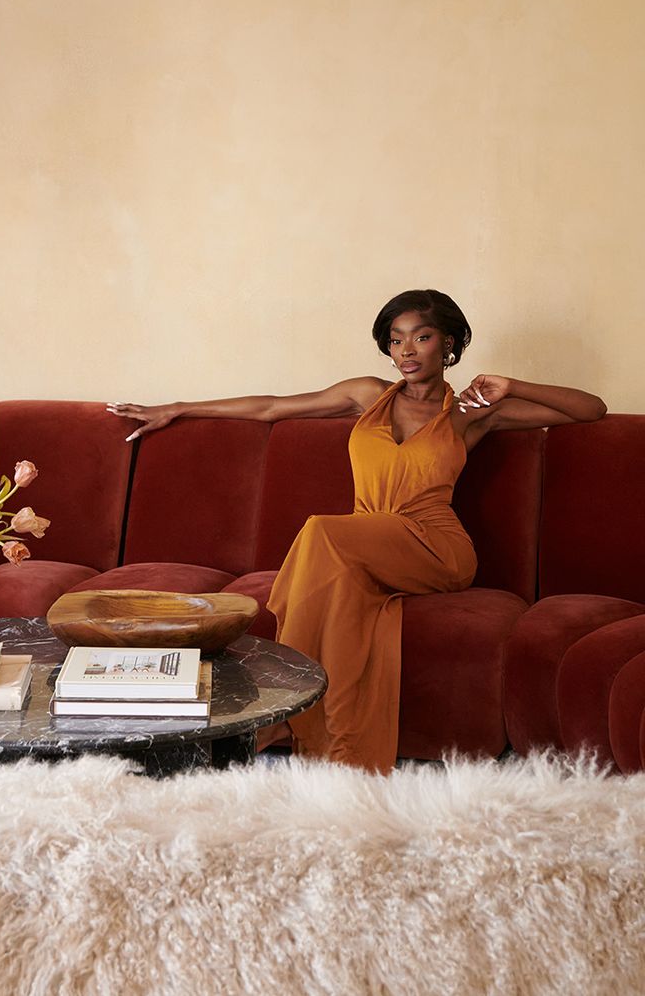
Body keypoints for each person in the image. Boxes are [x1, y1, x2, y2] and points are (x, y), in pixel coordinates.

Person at [107, 288, 607, 773]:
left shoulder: (469, 414)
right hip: (361, 547)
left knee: (322, 532)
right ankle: (301, 721)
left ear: (449, 344)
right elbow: (272, 407)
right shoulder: (367, 394)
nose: (406, 351)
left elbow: (591, 409)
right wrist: (177, 408)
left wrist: (512, 385)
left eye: (422, 337)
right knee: (336, 577)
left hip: (435, 545)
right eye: (396, 339)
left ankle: (281, 709)